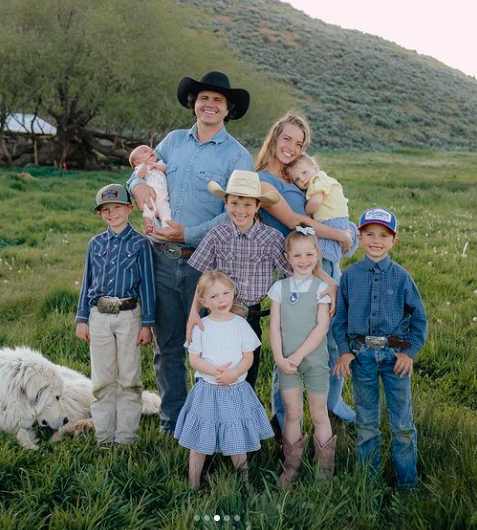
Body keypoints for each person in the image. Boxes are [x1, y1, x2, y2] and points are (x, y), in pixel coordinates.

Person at [127, 71, 253, 434]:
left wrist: (190, 232)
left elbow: (236, 213)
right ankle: (173, 423)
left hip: (206, 266)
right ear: (193, 104)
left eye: (218, 100)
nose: (209, 104)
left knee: (210, 345)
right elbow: (143, 172)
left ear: (228, 109)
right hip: (160, 258)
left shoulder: (237, 157)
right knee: (167, 344)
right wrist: (137, 187)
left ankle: (207, 422)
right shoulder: (172, 141)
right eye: (203, 98)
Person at [254, 113, 356, 424]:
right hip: (297, 266)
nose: (292, 148)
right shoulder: (264, 180)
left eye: (299, 144)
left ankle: (330, 403)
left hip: (322, 258)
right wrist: (340, 235)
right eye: (287, 139)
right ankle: (283, 413)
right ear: (274, 137)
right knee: (294, 339)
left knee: (334, 334)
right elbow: (295, 222)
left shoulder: (297, 176)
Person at [333, 208, 428, 489]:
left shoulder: (401, 277)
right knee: (366, 423)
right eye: (370, 234)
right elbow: (340, 319)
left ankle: (407, 484)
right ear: (359, 237)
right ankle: (368, 482)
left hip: (393, 358)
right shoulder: (350, 276)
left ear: (393, 241)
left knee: (402, 425)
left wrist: (408, 352)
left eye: (383, 235)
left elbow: (419, 318)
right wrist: (344, 351)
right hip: (361, 357)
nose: (376, 240)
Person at [186, 170, 290, 388]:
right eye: (234, 203)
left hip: (250, 317)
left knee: (245, 377)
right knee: (213, 373)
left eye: (247, 205)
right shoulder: (217, 235)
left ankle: (242, 418)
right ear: (225, 203)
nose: (240, 211)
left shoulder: (272, 238)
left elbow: (289, 277)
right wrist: (194, 313)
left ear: (258, 206)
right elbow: (204, 278)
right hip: (214, 317)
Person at [174, 271, 274, 490]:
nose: (221, 300)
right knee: (200, 438)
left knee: (236, 434)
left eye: (225, 293)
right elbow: (194, 359)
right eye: (213, 296)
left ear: (233, 293)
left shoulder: (240, 324)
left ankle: (244, 481)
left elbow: (249, 357)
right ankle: (193, 482)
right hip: (208, 389)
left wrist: (234, 373)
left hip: (235, 388)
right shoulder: (201, 326)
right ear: (203, 301)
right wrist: (214, 371)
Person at [75, 183, 155, 446]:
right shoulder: (95, 244)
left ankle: (125, 438)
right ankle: (104, 437)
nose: (112, 214)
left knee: (129, 378)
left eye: (117, 208)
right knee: (102, 378)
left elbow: (147, 284)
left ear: (129, 209)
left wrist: (148, 323)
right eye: (106, 210)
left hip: (129, 315)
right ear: (101, 214)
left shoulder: (140, 243)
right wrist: (82, 318)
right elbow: (87, 282)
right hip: (99, 315)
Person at [269, 228, 335, 486]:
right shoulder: (279, 288)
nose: (304, 260)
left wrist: (297, 355)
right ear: (288, 257)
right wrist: (279, 357)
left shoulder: (322, 289)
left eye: (309, 254)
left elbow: (322, 327)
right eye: (297, 255)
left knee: (319, 413)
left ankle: (324, 471)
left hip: (314, 361)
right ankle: (291, 467)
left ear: (317, 255)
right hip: (287, 363)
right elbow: (274, 326)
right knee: (293, 412)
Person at [285, 152, 358, 264]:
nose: (303, 180)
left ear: (315, 167)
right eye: (297, 180)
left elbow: (315, 202)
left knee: (315, 247)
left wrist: (305, 212)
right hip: (339, 220)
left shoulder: (318, 180)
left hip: (331, 222)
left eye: (305, 172)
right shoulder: (323, 180)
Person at [128, 144, 171, 233]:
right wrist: (145, 165)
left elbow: (166, 169)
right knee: (149, 210)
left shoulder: (160, 163)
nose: (150, 151)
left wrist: (158, 167)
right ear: (137, 162)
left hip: (164, 198)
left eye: (151, 150)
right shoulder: (140, 167)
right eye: (145, 152)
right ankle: (148, 224)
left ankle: (166, 227)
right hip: (152, 196)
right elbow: (139, 176)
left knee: (166, 212)